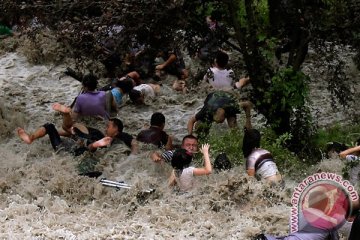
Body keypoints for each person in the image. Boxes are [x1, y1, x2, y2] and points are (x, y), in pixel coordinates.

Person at [16, 103, 137, 155]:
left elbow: (134, 143)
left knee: (76, 133)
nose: (106, 128)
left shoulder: (121, 136)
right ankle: (30, 137)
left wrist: (133, 155)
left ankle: (66, 115)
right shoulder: (97, 134)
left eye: (108, 126)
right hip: (68, 152)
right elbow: (63, 131)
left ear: (117, 129)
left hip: (72, 152)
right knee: (50, 127)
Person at [187, 91, 252, 136]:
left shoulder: (232, 106)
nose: (219, 123)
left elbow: (248, 104)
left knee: (233, 126)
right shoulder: (206, 111)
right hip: (213, 98)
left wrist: (248, 121)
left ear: (225, 115)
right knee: (200, 126)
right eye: (217, 121)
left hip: (227, 97)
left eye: (222, 120)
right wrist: (189, 135)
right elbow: (191, 121)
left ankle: (238, 140)